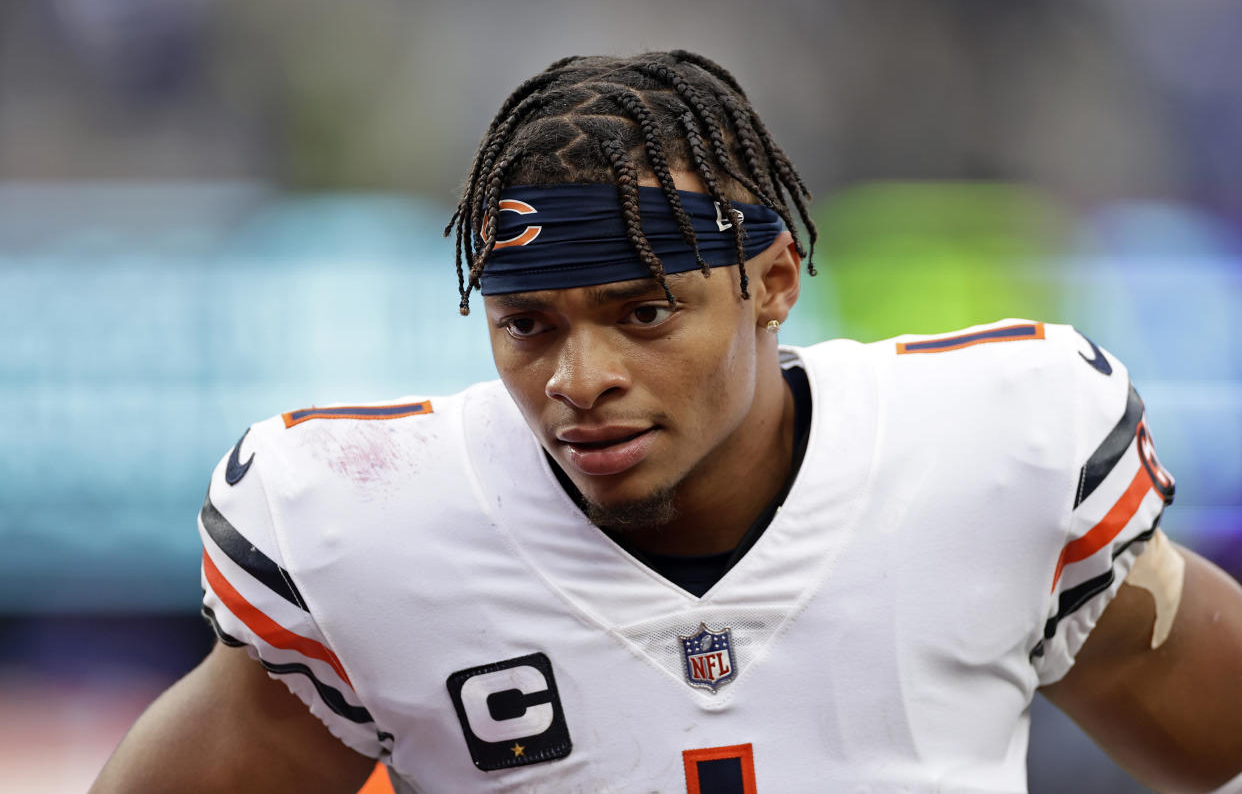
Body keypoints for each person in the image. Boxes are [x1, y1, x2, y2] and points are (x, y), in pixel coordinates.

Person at [92, 51, 1242, 794]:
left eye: (646, 312)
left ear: (775, 282)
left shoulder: (999, 448)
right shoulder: (367, 524)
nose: (579, 377)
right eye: (528, 324)